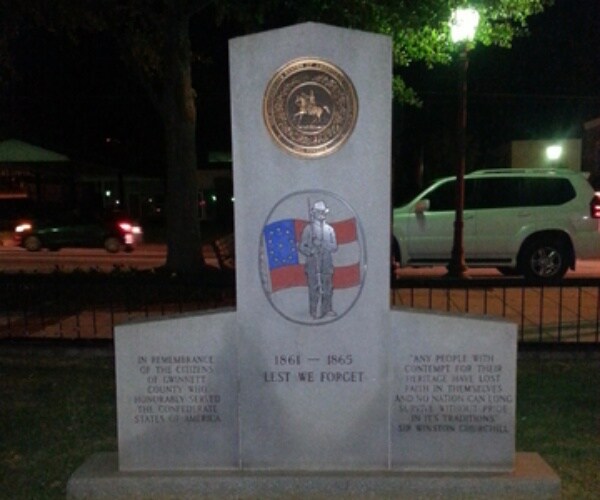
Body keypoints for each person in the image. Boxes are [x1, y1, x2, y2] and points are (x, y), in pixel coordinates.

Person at [298, 200, 338, 319]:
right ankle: (314, 311)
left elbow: (334, 246)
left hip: (326, 262)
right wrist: (311, 250)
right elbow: (301, 246)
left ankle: (327, 309)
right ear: (314, 213)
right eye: (319, 212)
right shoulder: (308, 229)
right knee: (314, 287)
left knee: (328, 287)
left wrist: (322, 244)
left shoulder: (330, 230)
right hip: (312, 263)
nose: (322, 214)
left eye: (323, 211)